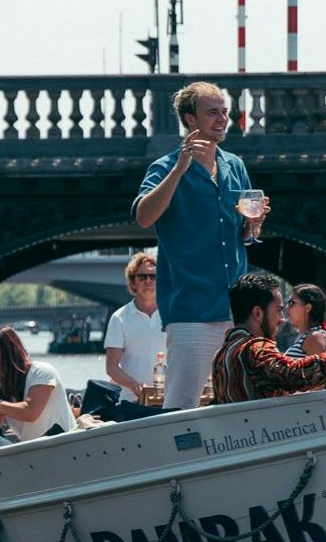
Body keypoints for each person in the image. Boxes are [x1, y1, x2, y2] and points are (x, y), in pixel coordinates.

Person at [133, 82, 267, 408]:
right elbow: (143, 217)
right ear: (190, 119)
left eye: (224, 112)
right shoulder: (165, 167)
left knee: (245, 402)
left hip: (237, 309)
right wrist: (180, 170)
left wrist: (255, 223)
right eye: (213, 113)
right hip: (192, 311)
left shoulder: (235, 165)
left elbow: (243, 233)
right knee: (181, 406)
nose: (222, 119)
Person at [211, 273, 326, 404]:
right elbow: (297, 376)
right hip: (268, 438)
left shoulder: (224, 352)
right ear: (258, 313)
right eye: (278, 310)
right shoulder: (254, 348)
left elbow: (289, 379)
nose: (282, 319)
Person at [0, 324, 76, 441]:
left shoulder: (41, 371)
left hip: (66, 443)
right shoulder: (4, 388)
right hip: (35, 449)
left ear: (10, 352)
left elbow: (30, 413)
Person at [103, 251, 164, 393]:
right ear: (133, 282)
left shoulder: (172, 315)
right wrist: (133, 385)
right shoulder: (119, 318)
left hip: (168, 396)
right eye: (142, 277)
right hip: (132, 398)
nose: (148, 281)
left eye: (153, 276)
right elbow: (111, 366)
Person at [283, 283, 326, 359]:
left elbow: (321, 366)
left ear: (307, 308)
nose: (287, 307)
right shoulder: (307, 335)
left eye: (291, 303)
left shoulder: (314, 337)